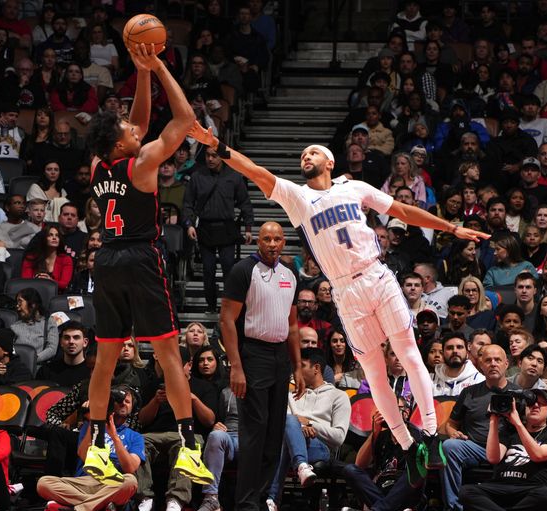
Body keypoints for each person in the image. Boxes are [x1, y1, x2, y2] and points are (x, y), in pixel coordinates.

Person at [188, 124, 490, 488]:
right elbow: (255, 170)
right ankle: (409, 447)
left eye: (312, 152)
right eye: (302, 155)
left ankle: (429, 435)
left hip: (376, 275)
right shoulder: (298, 197)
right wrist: (217, 145)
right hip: (345, 291)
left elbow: (404, 211)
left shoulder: (355, 188)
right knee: (375, 373)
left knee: (409, 354)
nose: (306, 157)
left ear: (329, 161)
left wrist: (451, 229)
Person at [82, 43, 214, 487]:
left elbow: (136, 123)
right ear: (124, 142)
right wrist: (158, 66)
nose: (136, 129)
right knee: (169, 354)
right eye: (128, 129)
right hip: (141, 257)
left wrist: (139, 75)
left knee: (104, 359)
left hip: (107, 258)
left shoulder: (101, 163)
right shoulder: (143, 162)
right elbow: (182, 120)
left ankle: (99, 444)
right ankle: (191, 445)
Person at [216, 221, 304, 511]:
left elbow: (293, 326)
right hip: (252, 354)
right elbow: (227, 321)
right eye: (266, 238)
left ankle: (263, 501)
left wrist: (298, 367)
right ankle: (244, 506)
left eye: (278, 239)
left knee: (274, 433)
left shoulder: (290, 275)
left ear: (283, 242)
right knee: (254, 433)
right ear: (259, 242)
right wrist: (236, 366)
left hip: (280, 357)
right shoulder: (243, 271)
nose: (272, 244)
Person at [459, 387, 547, 511]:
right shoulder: (509, 433)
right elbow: (493, 458)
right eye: (530, 403)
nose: (535, 406)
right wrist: (493, 421)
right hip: (499, 488)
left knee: (546, 495)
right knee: (466, 491)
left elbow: (538, 454)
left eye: (541, 403)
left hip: (529, 491)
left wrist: (518, 424)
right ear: (523, 408)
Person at [438, 344, 521, 511]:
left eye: (497, 360)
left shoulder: (519, 393)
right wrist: (453, 432)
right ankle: (454, 509)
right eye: (488, 360)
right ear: (480, 365)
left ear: (506, 363)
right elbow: (450, 424)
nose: (493, 364)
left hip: (507, 449)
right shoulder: (469, 393)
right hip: (474, 447)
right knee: (449, 446)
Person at [266, 347, 350, 511]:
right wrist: (300, 428)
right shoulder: (291, 395)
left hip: (320, 448)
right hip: (291, 445)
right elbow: (287, 425)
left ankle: (272, 500)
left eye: (301, 366)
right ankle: (302, 466)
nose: (296, 371)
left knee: (289, 427)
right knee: (289, 423)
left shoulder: (339, 396)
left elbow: (339, 437)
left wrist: (312, 424)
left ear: (316, 368)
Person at [135, 347, 218, 511]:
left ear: (188, 365)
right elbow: (142, 420)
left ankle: (176, 499)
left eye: (176, 365)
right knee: (138, 442)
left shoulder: (203, 386)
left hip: (187, 435)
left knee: (185, 445)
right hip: (155, 434)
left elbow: (210, 420)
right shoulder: (154, 385)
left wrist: (193, 398)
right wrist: (155, 402)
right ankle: (145, 497)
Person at [183, 147, 255, 313]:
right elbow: (187, 203)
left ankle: (229, 306)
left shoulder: (234, 176)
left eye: (214, 156)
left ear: (222, 157)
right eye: (207, 155)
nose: (210, 159)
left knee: (229, 268)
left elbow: (245, 203)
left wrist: (249, 227)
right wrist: (189, 224)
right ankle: (210, 305)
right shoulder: (197, 176)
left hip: (227, 227)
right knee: (208, 269)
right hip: (205, 227)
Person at [337, 395, 421, 511]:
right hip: (380, 491)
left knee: (416, 471)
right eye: (385, 409)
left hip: (403, 492)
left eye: (393, 408)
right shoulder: (382, 436)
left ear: (406, 412)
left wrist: (400, 431)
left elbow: (420, 467)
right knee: (350, 470)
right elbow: (359, 464)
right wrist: (375, 432)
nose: (389, 412)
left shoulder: (417, 435)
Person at [36, 321, 92, 388]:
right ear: (61, 342)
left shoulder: (92, 372)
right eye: (67, 337)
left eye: (76, 337)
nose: (71, 341)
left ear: (85, 342)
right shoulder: (46, 371)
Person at [10, 288, 58, 365]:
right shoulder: (14, 326)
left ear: (33, 304)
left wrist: (31, 360)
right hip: (18, 366)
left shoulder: (49, 322)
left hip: (39, 367)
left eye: (20, 302)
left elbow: (52, 349)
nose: (17, 306)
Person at [431, 331, 485, 396]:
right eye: (450, 348)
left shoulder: (479, 381)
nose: (455, 351)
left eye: (459, 347)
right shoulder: (430, 380)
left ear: (467, 351)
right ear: (443, 353)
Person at [21, 227, 73, 293]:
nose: (54, 238)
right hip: (34, 294)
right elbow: (25, 282)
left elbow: (64, 284)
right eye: (50, 235)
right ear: (43, 238)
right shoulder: (31, 258)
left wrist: (49, 281)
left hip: (57, 295)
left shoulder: (65, 259)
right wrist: (37, 280)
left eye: (57, 235)